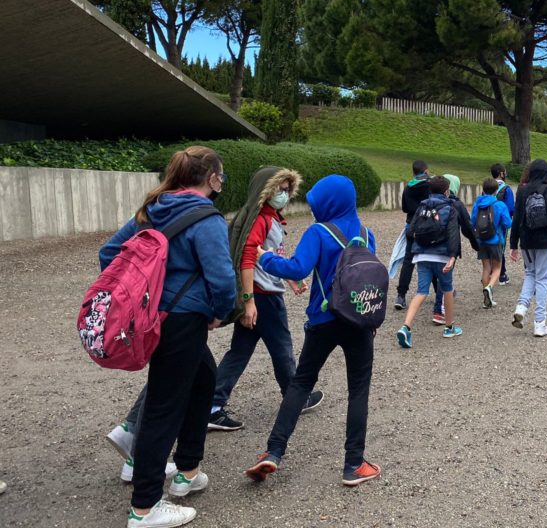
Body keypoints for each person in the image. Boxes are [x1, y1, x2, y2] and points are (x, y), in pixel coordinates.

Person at [100, 146, 235, 528]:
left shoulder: (153, 209)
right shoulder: (207, 218)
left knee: (204, 380)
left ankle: (188, 470)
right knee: (164, 406)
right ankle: (144, 508)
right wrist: (219, 312)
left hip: (153, 319)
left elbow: (109, 254)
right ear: (212, 178)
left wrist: (142, 293)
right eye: (221, 176)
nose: (222, 182)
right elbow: (222, 279)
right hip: (185, 320)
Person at [245, 175, 380, 488]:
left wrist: (265, 257)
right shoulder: (366, 234)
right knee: (358, 390)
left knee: (301, 383)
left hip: (324, 320)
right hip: (358, 321)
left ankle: (273, 451)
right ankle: (354, 464)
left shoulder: (318, 232)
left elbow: (297, 268)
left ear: (327, 202)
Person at [207, 167, 323, 432]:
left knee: (239, 352)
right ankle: (296, 397)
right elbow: (247, 260)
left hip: (262, 294)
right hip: (264, 297)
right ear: (265, 190)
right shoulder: (261, 220)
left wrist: (289, 277)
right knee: (282, 348)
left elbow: (267, 256)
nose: (284, 194)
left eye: (287, 190)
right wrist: (248, 301)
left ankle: (211, 406)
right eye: (280, 189)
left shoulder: (270, 218)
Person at [396, 176, 465, 347]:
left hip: (421, 255)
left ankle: (406, 326)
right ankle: (449, 327)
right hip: (442, 256)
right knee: (447, 289)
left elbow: (411, 230)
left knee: (421, 292)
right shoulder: (450, 208)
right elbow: (453, 234)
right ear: (447, 191)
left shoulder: (422, 206)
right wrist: (452, 256)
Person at [509, 159, 547, 337]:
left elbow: (516, 218)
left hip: (526, 240)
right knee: (543, 279)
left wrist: (513, 244)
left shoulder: (522, 190)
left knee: (530, 274)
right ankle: (539, 323)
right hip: (544, 239)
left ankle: (521, 307)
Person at [440, 173, 481, 321]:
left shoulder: (429, 202)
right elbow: (467, 228)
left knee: (434, 273)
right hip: (450, 246)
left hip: (427, 246)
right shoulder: (456, 204)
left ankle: (442, 297)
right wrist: (477, 245)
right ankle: (441, 307)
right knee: (445, 275)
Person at [394, 160, 432, 310]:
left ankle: (401, 295)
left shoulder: (408, 187)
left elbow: (405, 208)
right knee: (432, 258)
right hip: (428, 226)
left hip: (411, 226)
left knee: (408, 262)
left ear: (413, 172)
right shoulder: (430, 185)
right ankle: (443, 291)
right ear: (426, 171)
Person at [471, 177, 513, 308]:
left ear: (483, 189)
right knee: (497, 268)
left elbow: (472, 222)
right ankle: (489, 287)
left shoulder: (477, 204)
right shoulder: (500, 205)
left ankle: (487, 300)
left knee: (486, 268)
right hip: (495, 240)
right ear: (496, 191)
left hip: (481, 240)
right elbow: (508, 223)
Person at [491, 163, 515, 285]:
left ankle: (490, 271)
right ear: (501, 174)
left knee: (490, 244)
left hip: (487, 222)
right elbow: (510, 208)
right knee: (500, 247)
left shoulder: (488, 186)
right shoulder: (506, 189)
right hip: (501, 224)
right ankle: (501, 273)